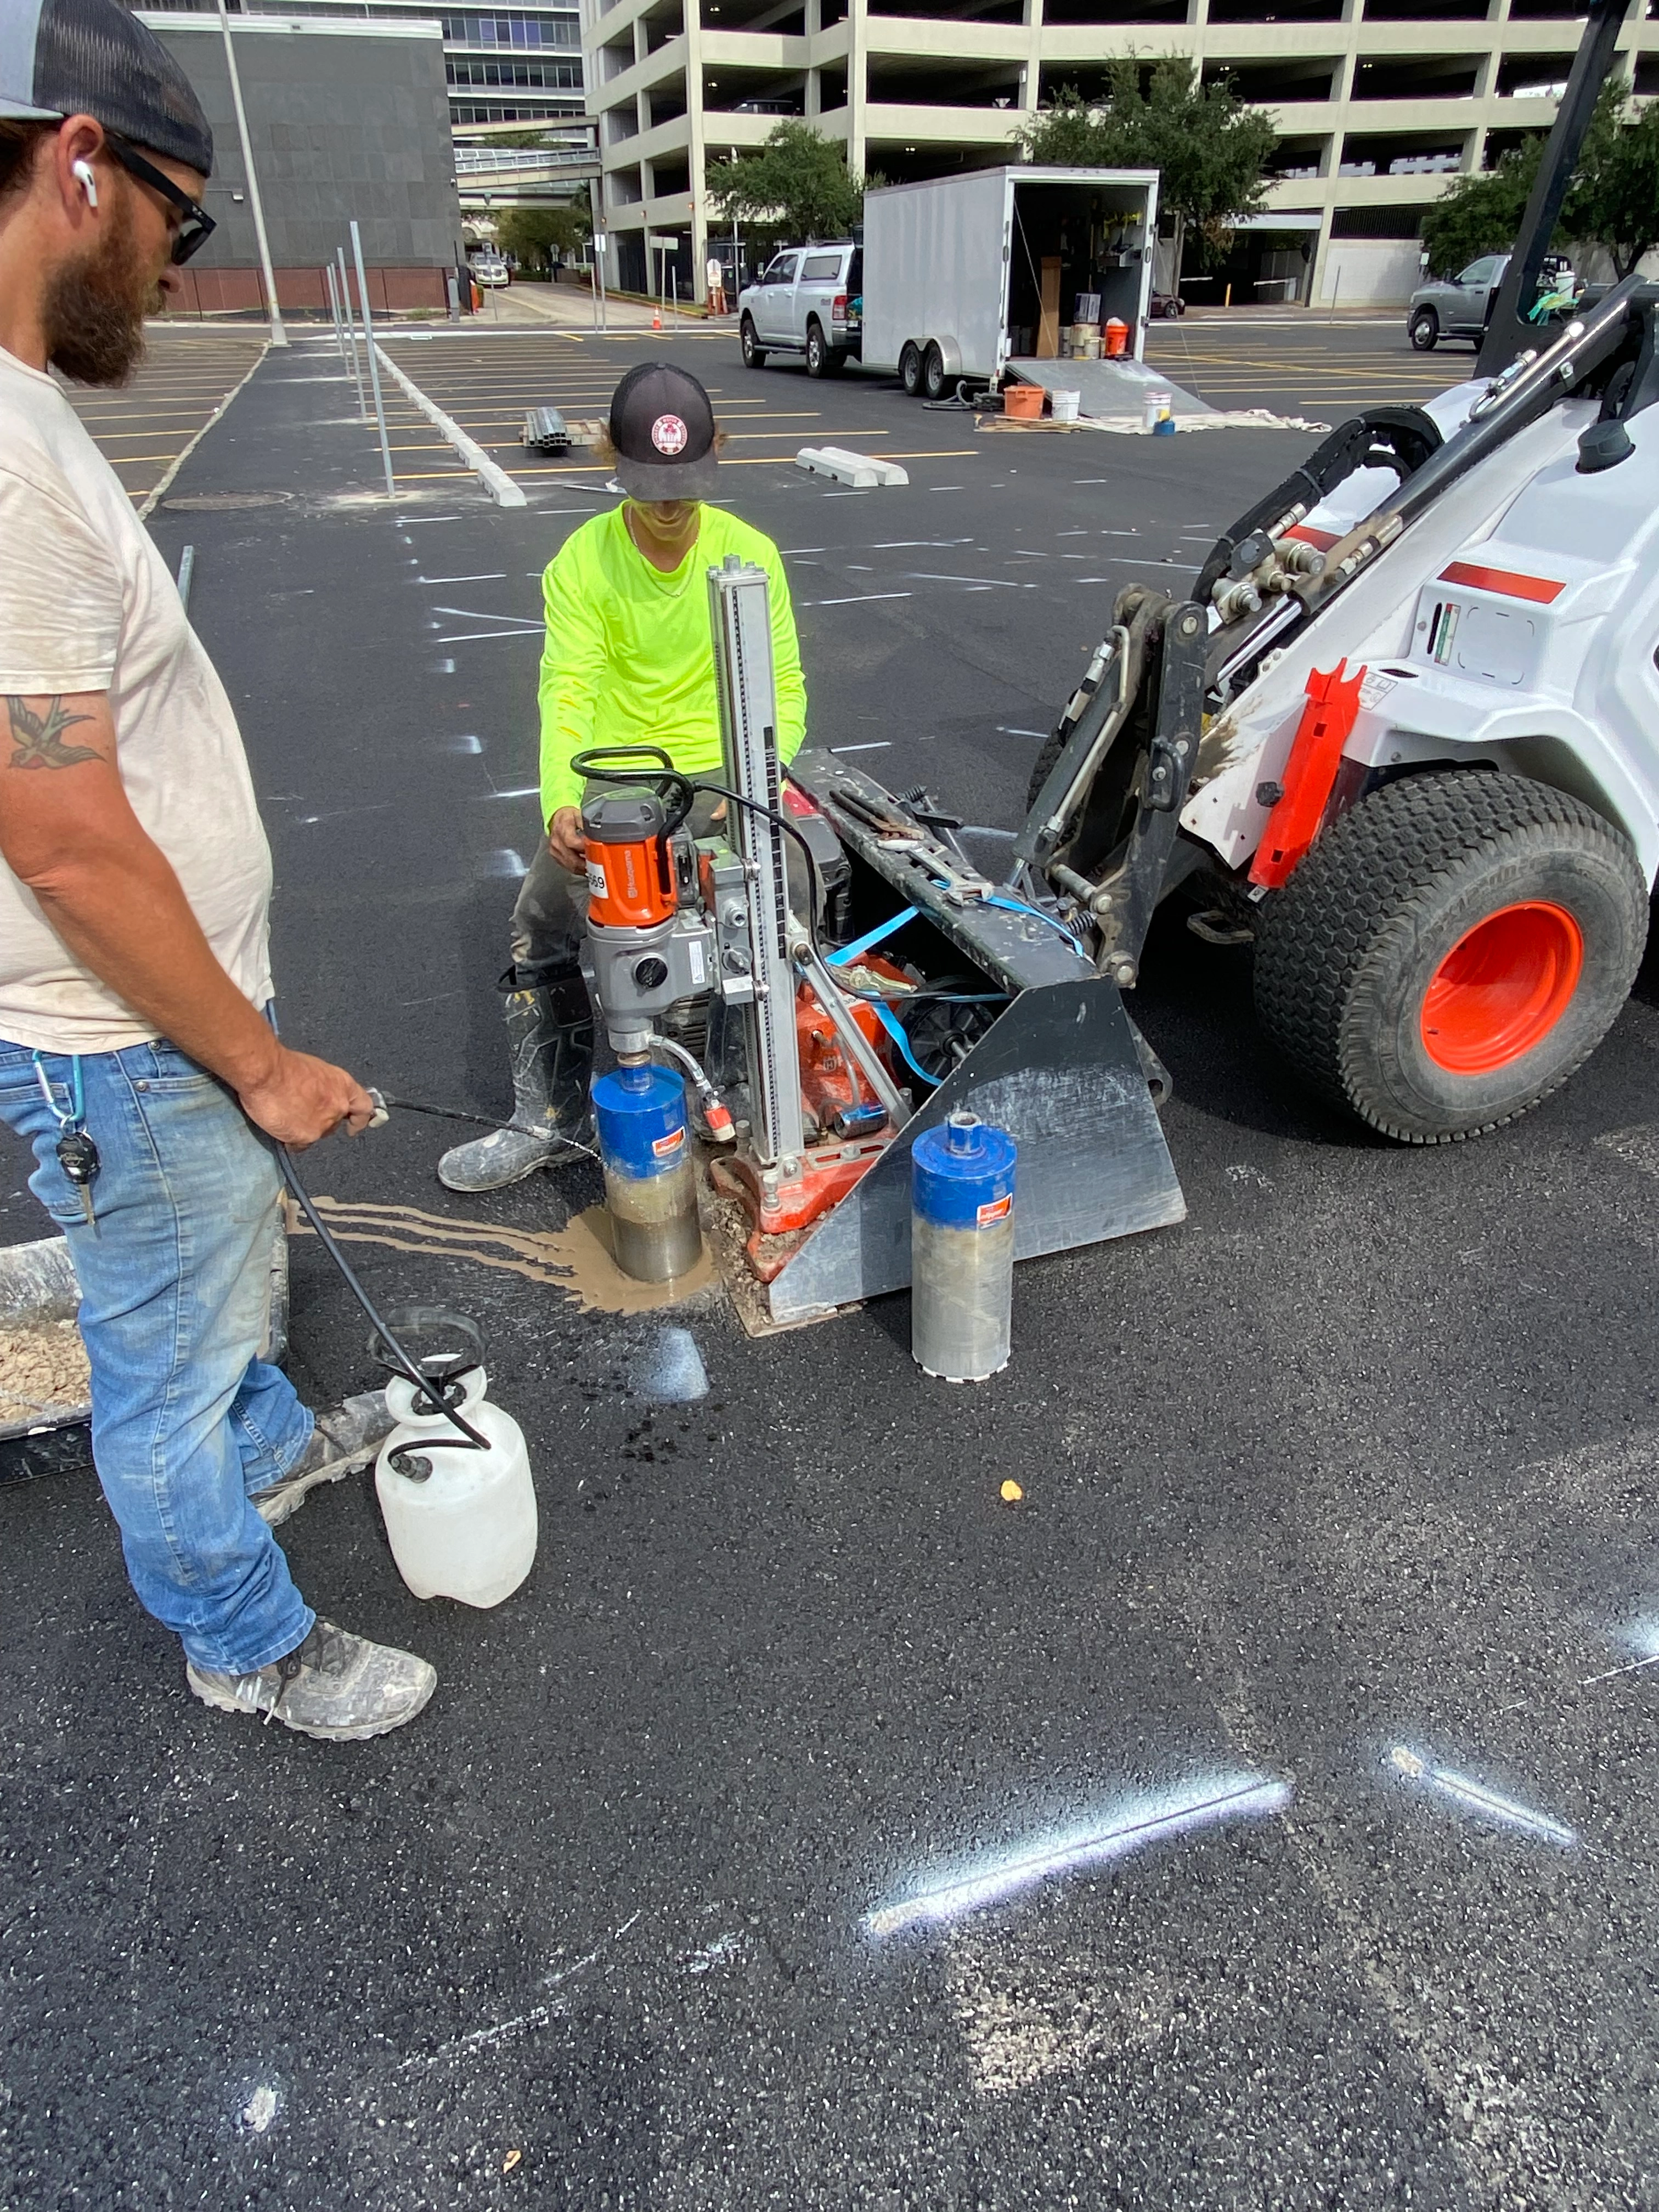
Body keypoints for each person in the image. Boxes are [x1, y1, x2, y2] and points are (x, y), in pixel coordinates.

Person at [0, 0, 435, 1741]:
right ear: (82, 165)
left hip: (141, 1009)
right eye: (178, 227)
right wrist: (256, 1063)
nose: (174, 276)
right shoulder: (7, 468)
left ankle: (270, 1453)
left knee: (206, 1279)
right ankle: (243, 1641)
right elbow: (58, 828)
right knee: (164, 1368)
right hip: (121, 1028)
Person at [439, 362, 806, 1193]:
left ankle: (735, 1104)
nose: (670, 509)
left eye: (685, 489)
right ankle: (550, 1119)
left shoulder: (750, 556)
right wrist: (562, 803)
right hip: (619, 779)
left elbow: (782, 684)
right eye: (651, 490)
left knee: (749, 917)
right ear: (616, 466)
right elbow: (566, 687)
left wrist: (763, 776)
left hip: (724, 768)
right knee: (542, 919)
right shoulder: (585, 563)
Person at [706, 253, 727, 318]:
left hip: (715, 283)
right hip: (715, 283)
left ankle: (717, 310)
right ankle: (713, 310)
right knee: (713, 293)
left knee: (716, 293)